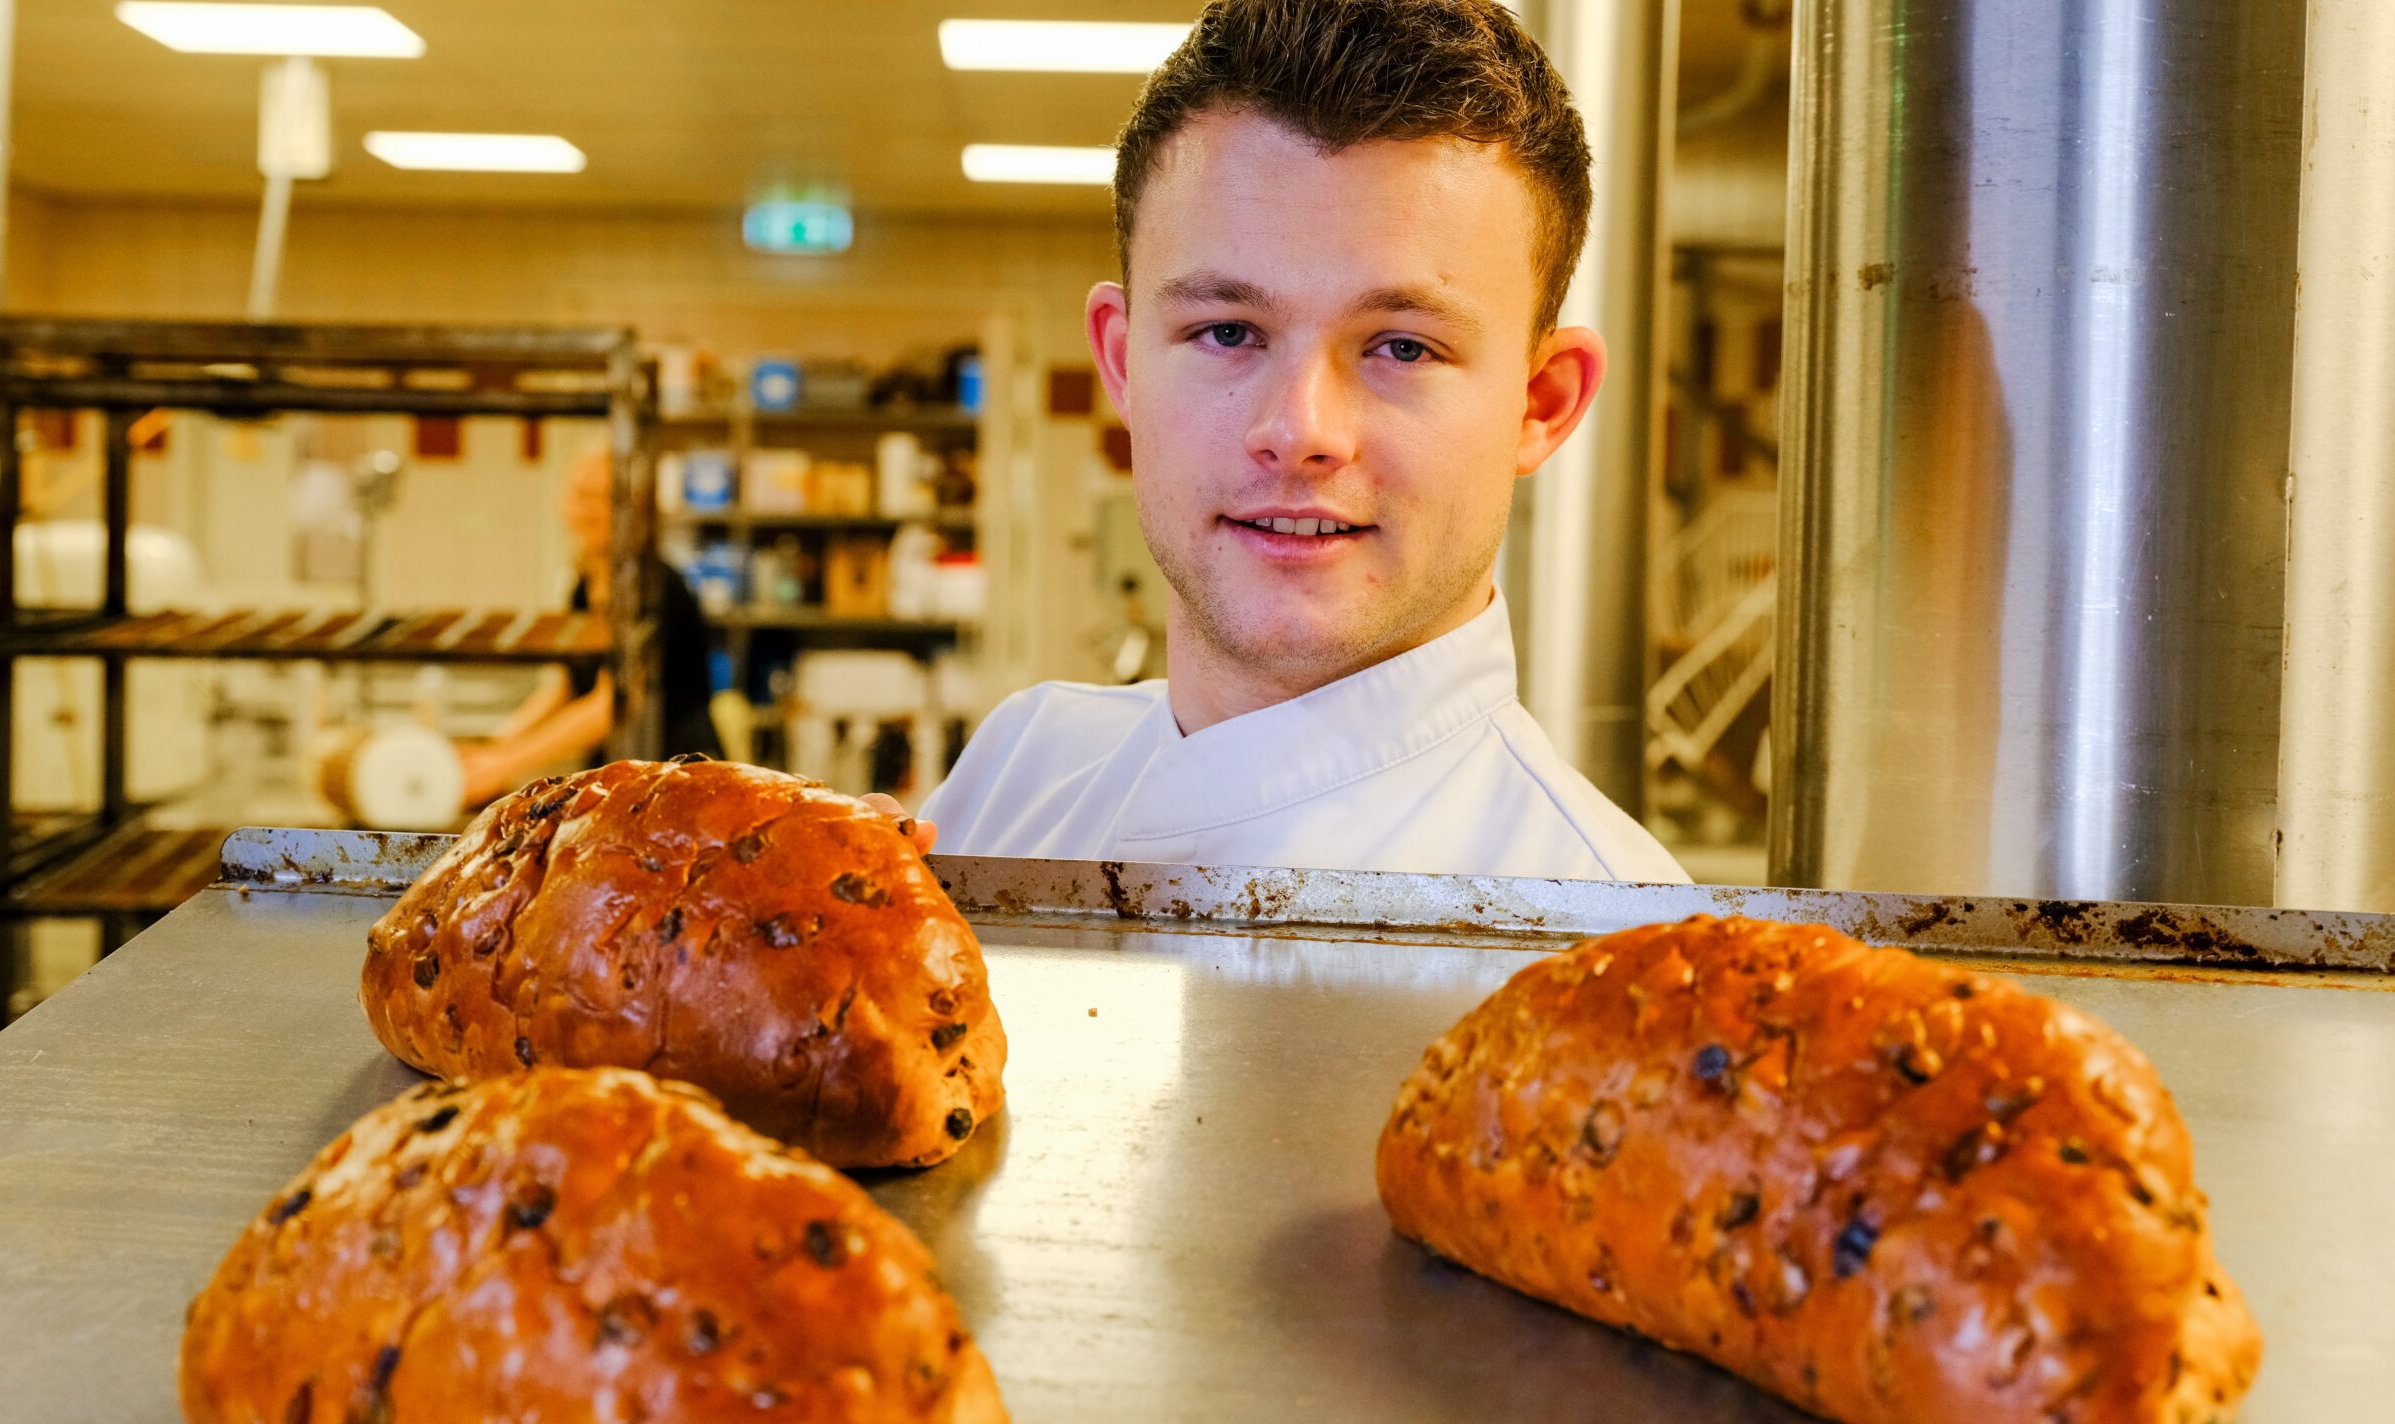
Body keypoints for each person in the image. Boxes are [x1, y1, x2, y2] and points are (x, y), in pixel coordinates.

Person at [908, 0, 1686, 882]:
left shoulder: (1608, 930)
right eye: (1228, 331)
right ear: (1122, 366)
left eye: (1403, 347)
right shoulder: (1018, 774)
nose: (1298, 432)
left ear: (1540, 404)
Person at [458, 447, 722, 806]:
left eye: (606, 499)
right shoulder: (585, 583)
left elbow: (612, 702)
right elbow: (565, 687)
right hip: (618, 775)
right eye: (580, 495)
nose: (587, 510)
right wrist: (492, 744)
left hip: (677, 779)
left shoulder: (657, 588)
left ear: (638, 509)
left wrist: (505, 764)